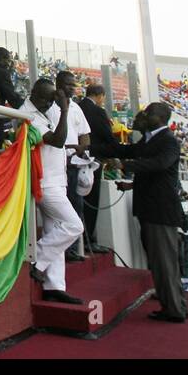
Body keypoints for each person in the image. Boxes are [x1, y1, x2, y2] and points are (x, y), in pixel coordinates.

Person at [111, 102, 188, 322]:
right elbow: (132, 153)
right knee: (160, 262)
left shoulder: (168, 141)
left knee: (164, 263)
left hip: (160, 211)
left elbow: (158, 164)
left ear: (161, 117)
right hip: (152, 209)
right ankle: (174, 306)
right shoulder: (152, 140)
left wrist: (125, 165)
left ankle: (174, 309)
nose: (144, 115)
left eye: (149, 113)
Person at [22, 77, 86, 305]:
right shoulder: (27, 113)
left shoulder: (46, 108)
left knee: (55, 231)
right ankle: (37, 260)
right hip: (44, 182)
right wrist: (65, 109)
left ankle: (54, 285)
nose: (51, 105)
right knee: (73, 225)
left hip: (57, 179)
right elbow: (58, 140)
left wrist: (62, 105)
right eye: (48, 101)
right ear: (36, 96)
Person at [55, 70, 92, 260]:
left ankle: (70, 250)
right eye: (68, 84)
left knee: (75, 206)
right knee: (59, 209)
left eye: (74, 85)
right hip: (54, 164)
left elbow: (85, 134)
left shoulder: (77, 108)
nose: (72, 88)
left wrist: (80, 147)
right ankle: (58, 249)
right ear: (58, 84)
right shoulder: (49, 105)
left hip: (73, 164)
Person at [77, 83, 116, 253]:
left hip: (75, 160)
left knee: (77, 200)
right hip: (93, 161)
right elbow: (108, 137)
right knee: (91, 200)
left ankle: (79, 238)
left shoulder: (76, 107)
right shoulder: (98, 112)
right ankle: (88, 240)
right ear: (100, 95)